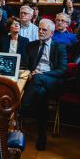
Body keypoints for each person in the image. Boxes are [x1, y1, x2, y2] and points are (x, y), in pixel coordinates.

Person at [22, 19, 67, 151]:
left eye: (44, 30)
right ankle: (42, 136)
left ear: (51, 33)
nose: (41, 32)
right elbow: (25, 65)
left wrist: (42, 74)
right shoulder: (31, 45)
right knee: (41, 93)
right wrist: (29, 73)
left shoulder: (59, 47)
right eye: (39, 29)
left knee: (38, 78)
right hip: (35, 82)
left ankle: (22, 110)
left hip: (52, 80)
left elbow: (62, 70)